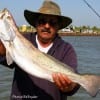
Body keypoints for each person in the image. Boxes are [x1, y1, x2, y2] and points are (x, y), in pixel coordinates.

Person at [0, 1, 80, 100]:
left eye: (52, 22)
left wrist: (70, 87)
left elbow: (74, 85)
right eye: (42, 21)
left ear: (58, 26)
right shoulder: (23, 40)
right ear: (36, 23)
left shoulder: (67, 49)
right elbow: (6, 58)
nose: (47, 26)